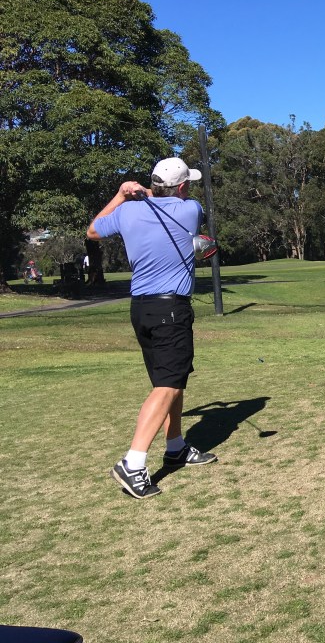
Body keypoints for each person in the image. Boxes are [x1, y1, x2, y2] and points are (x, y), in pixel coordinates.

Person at [87, 157, 218, 499]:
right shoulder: (190, 209)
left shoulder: (127, 212)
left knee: (172, 380)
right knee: (167, 385)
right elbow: (162, 197)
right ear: (183, 186)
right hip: (171, 309)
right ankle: (132, 463)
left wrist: (121, 194)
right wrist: (143, 192)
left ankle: (175, 447)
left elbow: (93, 231)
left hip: (142, 309)